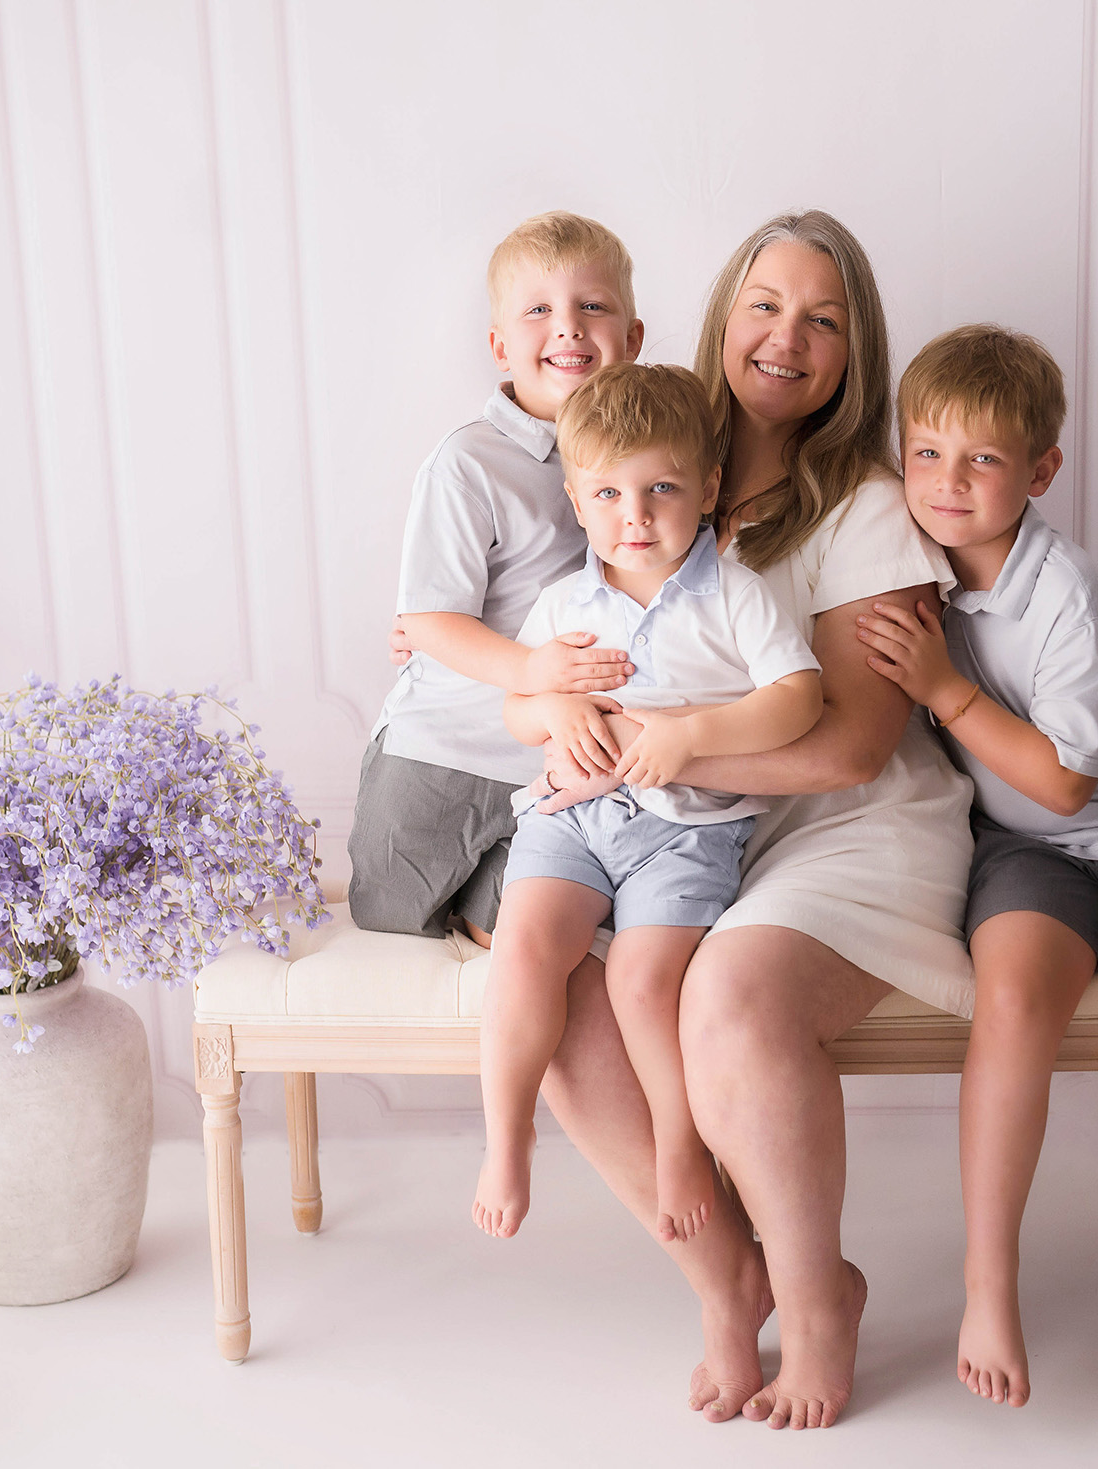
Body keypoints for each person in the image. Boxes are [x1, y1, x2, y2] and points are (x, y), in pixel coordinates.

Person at [531, 213, 975, 1430]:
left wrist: (671, 740)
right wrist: (559, 712)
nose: (787, 337)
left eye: (823, 319)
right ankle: (731, 1285)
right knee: (560, 989)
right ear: (723, 313)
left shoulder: (866, 504)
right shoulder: (653, 451)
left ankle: (819, 1309)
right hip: (698, 824)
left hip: (852, 827)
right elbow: (569, 639)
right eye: (764, 305)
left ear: (853, 352)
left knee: (723, 994)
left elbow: (848, 744)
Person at [855, 323, 1098, 1406]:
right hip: (1022, 852)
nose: (947, 481)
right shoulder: (901, 563)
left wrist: (944, 688)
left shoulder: (1066, 590)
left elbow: (1070, 782)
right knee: (1013, 1008)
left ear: (1038, 471)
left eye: (980, 459)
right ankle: (990, 1282)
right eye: (926, 452)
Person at [473, 362, 822, 1246]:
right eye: (609, 493)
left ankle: (679, 1139)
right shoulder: (564, 602)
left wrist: (696, 734)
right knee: (525, 944)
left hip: (689, 831)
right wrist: (551, 706)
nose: (635, 515)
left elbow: (799, 699)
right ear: (577, 500)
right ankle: (508, 1137)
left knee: (639, 976)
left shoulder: (738, 594)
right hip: (573, 818)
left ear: (707, 487)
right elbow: (517, 708)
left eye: (661, 488)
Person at [348, 212, 642, 941]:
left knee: (535, 916)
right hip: (442, 747)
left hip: (553, 765)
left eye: (593, 307)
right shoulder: (470, 462)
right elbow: (430, 620)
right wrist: (535, 669)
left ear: (633, 339)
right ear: (500, 347)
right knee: (388, 909)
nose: (569, 328)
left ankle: (491, 902)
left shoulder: (651, 459)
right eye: (539, 310)